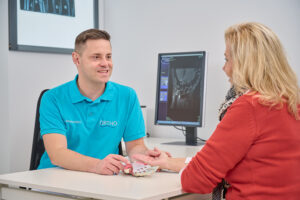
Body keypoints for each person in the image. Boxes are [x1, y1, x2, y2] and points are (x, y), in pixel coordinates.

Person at [133, 22, 300, 199]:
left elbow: (196, 179)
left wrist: (190, 170)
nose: (224, 68)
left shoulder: (250, 106)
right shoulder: (291, 103)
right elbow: (231, 163)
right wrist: (168, 162)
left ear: (246, 64)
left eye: (227, 59)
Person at [38, 29, 160, 175]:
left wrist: (146, 157)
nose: (105, 63)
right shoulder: (53, 98)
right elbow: (57, 154)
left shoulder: (127, 96)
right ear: (77, 59)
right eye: (96, 57)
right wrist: (97, 165)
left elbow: (135, 147)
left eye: (108, 56)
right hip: (55, 180)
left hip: (102, 179)